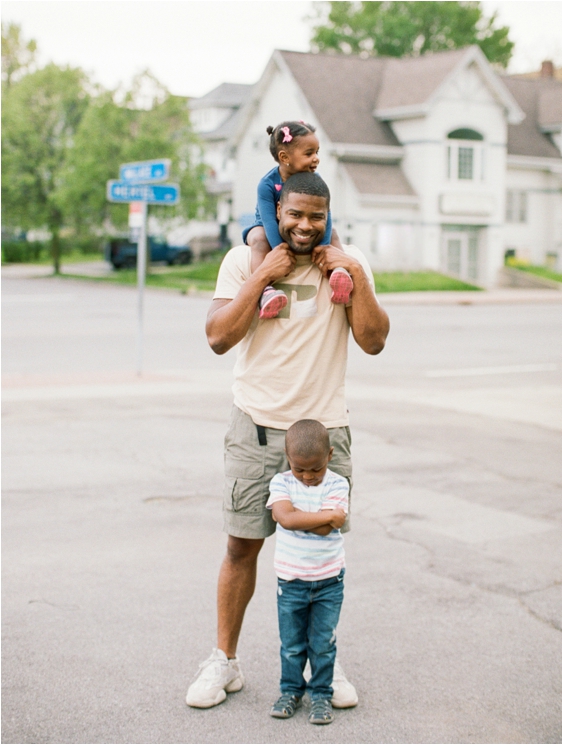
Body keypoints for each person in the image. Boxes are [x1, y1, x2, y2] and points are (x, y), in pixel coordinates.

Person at [185, 171, 389, 710]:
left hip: (325, 436)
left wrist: (355, 277)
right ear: (277, 214)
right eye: (294, 214)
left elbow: (373, 341)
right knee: (240, 547)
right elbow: (217, 337)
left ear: (328, 217)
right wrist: (263, 276)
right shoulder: (241, 260)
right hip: (255, 426)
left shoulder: (350, 263)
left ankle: (323, 662)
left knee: (323, 551)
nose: (304, 225)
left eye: (315, 216)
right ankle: (224, 661)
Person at [266, 419, 349, 725]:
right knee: (291, 644)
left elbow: (327, 530)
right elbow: (286, 520)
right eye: (300, 469)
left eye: (316, 469)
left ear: (329, 455)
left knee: (322, 643)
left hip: (329, 581)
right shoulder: (281, 483)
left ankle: (321, 695)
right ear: (288, 457)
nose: (308, 477)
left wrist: (307, 517)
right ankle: (290, 691)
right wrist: (327, 515)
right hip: (291, 581)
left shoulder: (338, 483)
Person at [242, 120, 353, 319]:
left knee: (334, 233)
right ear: (285, 157)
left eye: (317, 152)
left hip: (300, 228)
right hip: (267, 227)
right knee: (258, 238)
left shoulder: (316, 181)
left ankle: (339, 274)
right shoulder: (266, 185)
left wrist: (324, 248)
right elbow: (268, 221)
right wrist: (281, 251)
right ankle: (265, 292)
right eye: (309, 153)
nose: (316, 159)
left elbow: (326, 217)